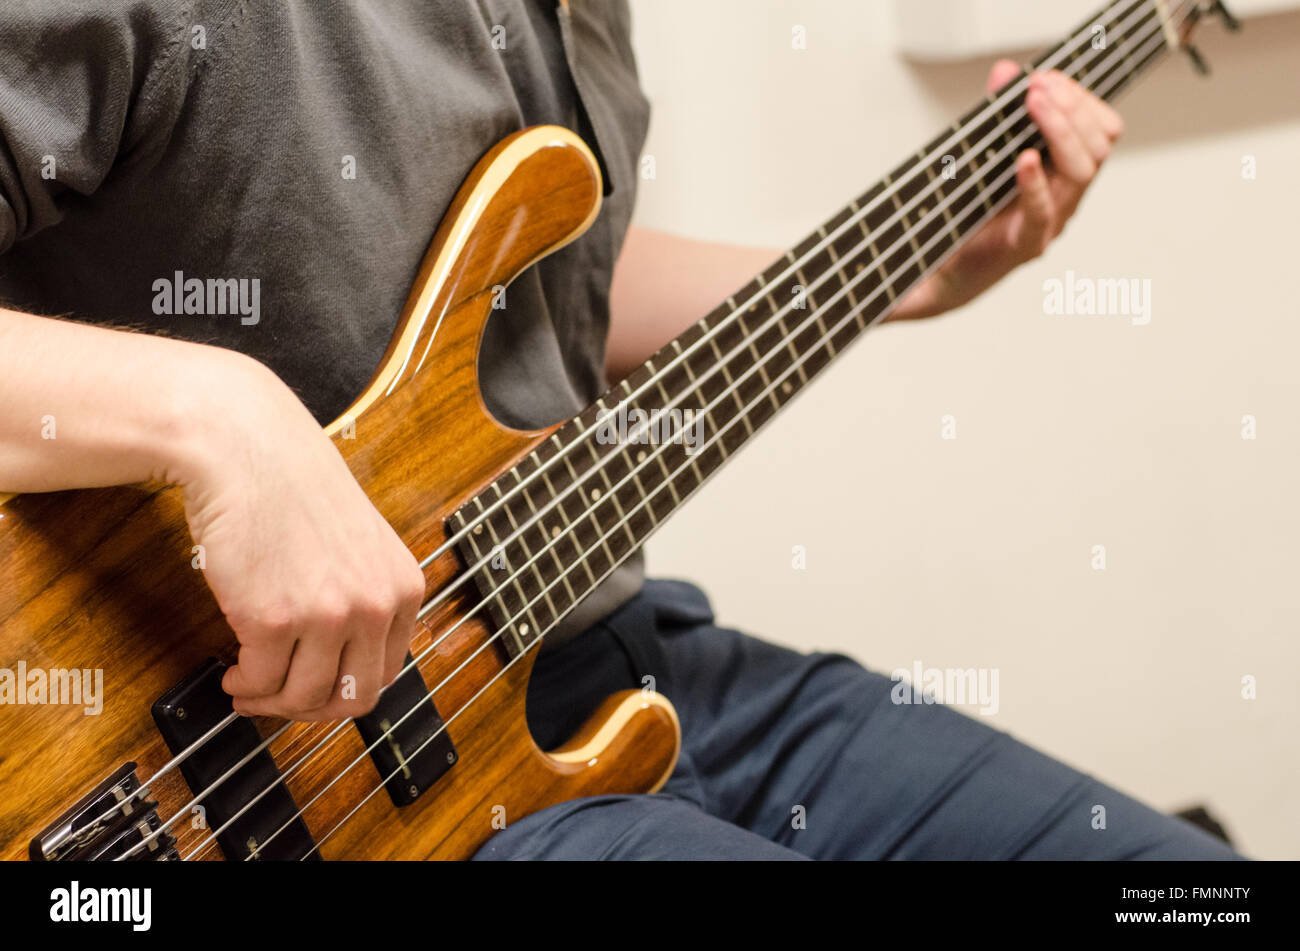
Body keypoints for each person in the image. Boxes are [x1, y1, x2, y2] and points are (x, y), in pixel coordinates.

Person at [0, 1, 1238, 859]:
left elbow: (526, 293)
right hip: (297, 780)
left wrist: (914, 273)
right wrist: (215, 418)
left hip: (603, 649)